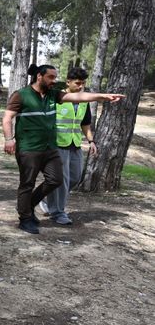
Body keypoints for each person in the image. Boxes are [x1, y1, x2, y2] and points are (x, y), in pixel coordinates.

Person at [3, 64, 123, 234]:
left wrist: (102, 96)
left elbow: (78, 97)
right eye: (51, 77)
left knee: (56, 180)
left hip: (50, 148)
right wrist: (9, 139)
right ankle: (25, 218)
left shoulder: (53, 94)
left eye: (55, 77)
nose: (54, 80)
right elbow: (7, 118)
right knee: (27, 183)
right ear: (39, 76)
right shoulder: (21, 95)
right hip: (29, 148)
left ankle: (27, 205)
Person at [39, 68, 98, 225]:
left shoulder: (84, 101)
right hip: (57, 144)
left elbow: (85, 124)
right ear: (68, 82)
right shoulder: (57, 98)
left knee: (75, 177)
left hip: (75, 144)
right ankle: (58, 213)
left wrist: (91, 141)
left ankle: (46, 199)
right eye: (77, 83)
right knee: (62, 180)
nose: (81, 86)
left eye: (83, 83)